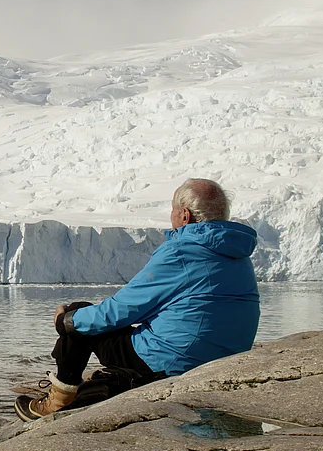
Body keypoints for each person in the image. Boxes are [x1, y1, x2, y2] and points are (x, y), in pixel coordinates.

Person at [15, 178, 261, 421]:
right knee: (88, 321)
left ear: (184, 216)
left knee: (78, 317)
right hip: (222, 362)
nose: (171, 215)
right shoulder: (237, 253)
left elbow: (122, 310)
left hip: (173, 363)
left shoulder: (180, 252)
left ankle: (56, 403)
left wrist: (66, 321)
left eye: (173, 210)